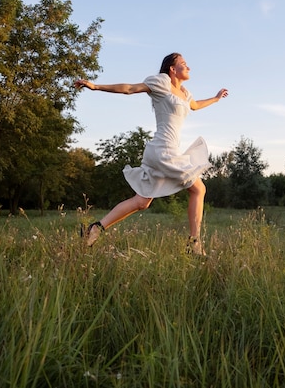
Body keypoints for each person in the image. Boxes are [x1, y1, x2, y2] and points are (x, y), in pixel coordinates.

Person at [75, 52, 228, 256]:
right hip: (163, 151)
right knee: (198, 189)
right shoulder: (161, 82)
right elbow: (129, 89)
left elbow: (196, 105)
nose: (189, 67)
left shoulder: (184, 92)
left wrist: (216, 99)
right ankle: (194, 243)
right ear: (172, 69)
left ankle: (95, 229)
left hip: (164, 152)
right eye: (184, 64)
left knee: (142, 202)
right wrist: (95, 86)